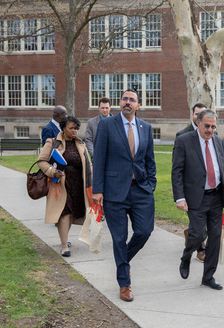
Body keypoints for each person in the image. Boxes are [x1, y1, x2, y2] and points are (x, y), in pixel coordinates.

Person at [92, 89, 157, 302]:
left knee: (145, 231)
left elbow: (149, 160)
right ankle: (124, 283)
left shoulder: (145, 128)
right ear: (120, 103)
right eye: (125, 99)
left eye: (132, 100)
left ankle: (123, 262)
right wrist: (97, 190)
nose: (127, 102)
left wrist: (151, 184)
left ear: (138, 105)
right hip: (114, 192)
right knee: (119, 238)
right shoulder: (107, 125)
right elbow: (99, 158)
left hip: (140, 189)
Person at [172, 109, 224, 290]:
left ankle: (208, 276)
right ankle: (186, 257)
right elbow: (177, 172)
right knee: (197, 234)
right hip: (196, 198)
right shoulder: (184, 141)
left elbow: (223, 171)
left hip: (216, 198)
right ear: (198, 122)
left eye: (213, 126)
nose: (210, 130)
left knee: (215, 238)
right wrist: (180, 197)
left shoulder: (219, 142)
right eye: (207, 125)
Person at [38, 116, 93, 257]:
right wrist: (52, 172)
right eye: (71, 128)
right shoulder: (52, 142)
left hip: (78, 184)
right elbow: (41, 161)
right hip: (60, 184)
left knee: (72, 213)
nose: (74, 131)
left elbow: (89, 164)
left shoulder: (80, 144)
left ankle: (65, 239)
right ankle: (64, 246)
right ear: (63, 128)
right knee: (64, 212)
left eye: (76, 128)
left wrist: (92, 182)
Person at [175, 103, 208, 262]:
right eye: (197, 114)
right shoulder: (182, 136)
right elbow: (177, 167)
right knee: (199, 224)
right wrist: (180, 195)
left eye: (202, 113)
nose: (199, 117)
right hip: (191, 189)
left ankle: (190, 233)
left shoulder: (211, 132)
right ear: (192, 115)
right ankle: (200, 250)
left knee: (205, 223)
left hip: (209, 189)